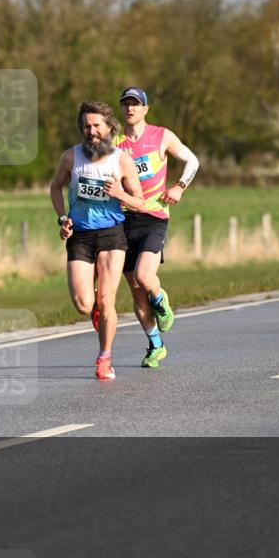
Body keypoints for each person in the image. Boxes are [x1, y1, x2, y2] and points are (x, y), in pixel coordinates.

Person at [49, 101, 147, 381]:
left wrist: (119, 193)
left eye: (96, 126)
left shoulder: (122, 160)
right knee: (83, 303)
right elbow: (55, 187)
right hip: (80, 234)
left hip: (111, 234)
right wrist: (62, 218)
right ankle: (96, 312)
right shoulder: (71, 157)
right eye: (86, 126)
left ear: (109, 128)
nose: (91, 131)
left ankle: (104, 358)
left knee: (107, 299)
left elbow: (139, 202)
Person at [114, 87, 199, 369]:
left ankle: (160, 299)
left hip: (154, 216)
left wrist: (180, 187)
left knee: (144, 276)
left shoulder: (161, 136)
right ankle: (155, 345)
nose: (130, 109)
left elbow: (192, 160)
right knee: (136, 290)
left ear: (145, 109)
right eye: (126, 104)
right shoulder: (114, 142)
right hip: (123, 219)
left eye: (136, 104)